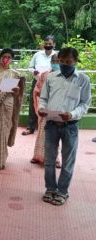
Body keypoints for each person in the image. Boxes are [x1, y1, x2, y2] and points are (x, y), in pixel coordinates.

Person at [39, 47, 91, 206]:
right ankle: (50, 189)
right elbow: (43, 98)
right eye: (61, 61)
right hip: (52, 124)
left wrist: (72, 114)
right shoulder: (51, 77)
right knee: (49, 160)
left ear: (75, 61)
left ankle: (62, 191)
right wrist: (41, 109)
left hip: (71, 126)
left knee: (68, 161)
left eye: (68, 62)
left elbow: (84, 103)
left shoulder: (83, 80)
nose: (64, 64)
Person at [30, 54, 61, 168]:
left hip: (57, 109)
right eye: (53, 60)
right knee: (43, 132)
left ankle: (54, 159)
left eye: (58, 61)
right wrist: (42, 97)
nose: (55, 62)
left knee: (55, 134)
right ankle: (37, 156)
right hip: (45, 107)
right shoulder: (44, 75)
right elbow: (37, 89)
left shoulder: (63, 76)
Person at [22, 35, 57, 136]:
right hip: (37, 82)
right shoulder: (37, 55)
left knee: (49, 103)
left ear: (54, 44)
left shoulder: (57, 56)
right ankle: (30, 127)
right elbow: (30, 67)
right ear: (43, 44)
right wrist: (34, 72)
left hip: (51, 83)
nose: (48, 45)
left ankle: (48, 126)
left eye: (50, 44)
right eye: (46, 43)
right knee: (33, 103)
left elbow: (58, 68)